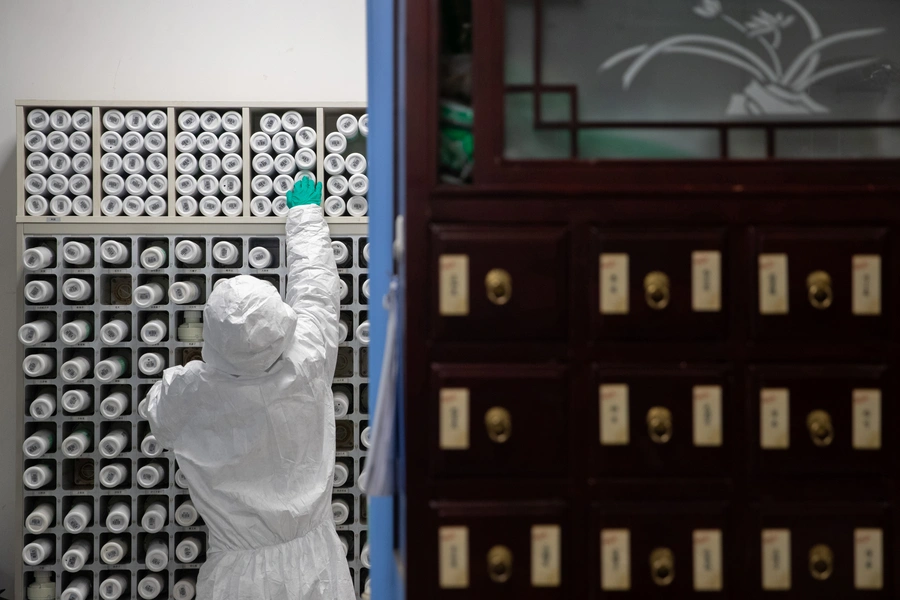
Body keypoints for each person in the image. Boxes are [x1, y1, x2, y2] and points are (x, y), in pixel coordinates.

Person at [146, 178, 355, 600]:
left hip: (235, 576)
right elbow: (317, 292)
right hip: (315, 567)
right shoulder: (306, 362)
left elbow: (157, 418)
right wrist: (304, 215)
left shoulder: (186, 392)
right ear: (282, 326)